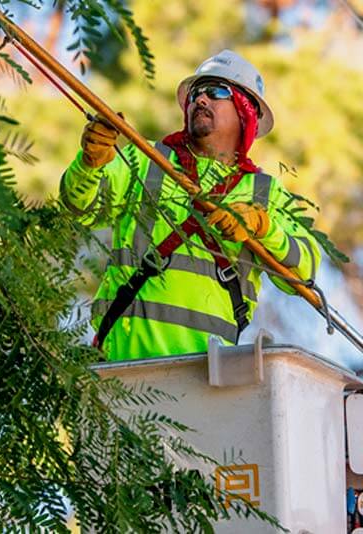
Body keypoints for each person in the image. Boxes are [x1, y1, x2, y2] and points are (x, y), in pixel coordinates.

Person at [60, 49, 320, 360]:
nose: (201, 99)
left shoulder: (265, 192)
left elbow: (304, 274)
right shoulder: (148, 160)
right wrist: (89, 164)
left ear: (245, 111)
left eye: (216, 92)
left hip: (209, 378)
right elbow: (81, 207)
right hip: (122, 368)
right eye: (196, 93)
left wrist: (262, 227)